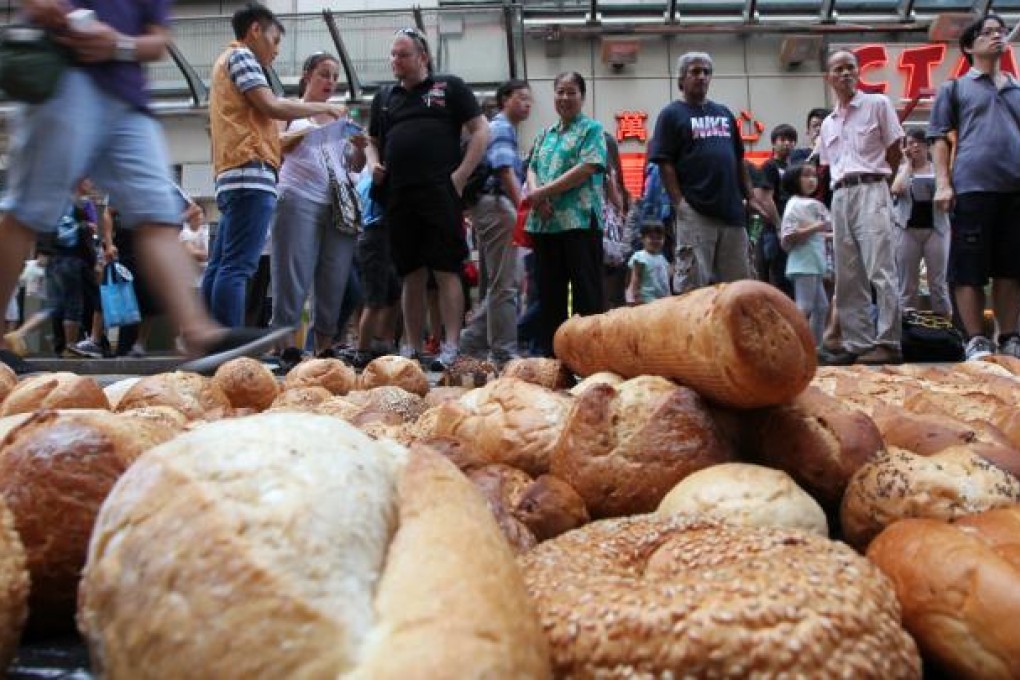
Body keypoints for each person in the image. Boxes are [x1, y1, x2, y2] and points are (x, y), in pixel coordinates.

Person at [0, 0, 292, 375]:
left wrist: (116, 44)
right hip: (64, 79)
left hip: (128, 98)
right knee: (27, 211)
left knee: (159, 215)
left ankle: (199, 334)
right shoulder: (238, 59)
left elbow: (157, 40)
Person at [203, 3, 345, 329]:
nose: (277, 50)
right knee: (237, 267)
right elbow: (272, 105)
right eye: (275, 40)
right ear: (255, 30)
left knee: (221, 264)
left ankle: (211, 341)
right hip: (250, 174)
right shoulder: (242, 57)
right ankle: (229, 346)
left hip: (233, 173)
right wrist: (323, 107)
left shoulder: (226, 62)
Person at [366, 27, 489, 370]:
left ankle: (451, 345)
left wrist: (461, 175)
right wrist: (374, 164)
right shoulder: (385, 97)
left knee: (447, 268)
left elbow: (482, 130)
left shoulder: (449, 87)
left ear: (423, 57)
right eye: (393, 54)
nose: (395, 61)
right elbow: (372, 140)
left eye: (403, 54)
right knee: (411, 273)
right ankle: (413, 346)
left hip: (440, 192)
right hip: (399, 194)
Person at [930, 13, 1020, 360]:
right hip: (972, 188)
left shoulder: (1015, 88)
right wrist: (943, 183)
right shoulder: (955, 89)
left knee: (1011, 268)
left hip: (1013, 189)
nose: (997, 37)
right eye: (987, 33)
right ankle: (976, 339)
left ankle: (1010, 335)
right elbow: (939, 138)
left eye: (1000, 32)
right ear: (969, 46)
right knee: (969, 268)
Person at [268, 51, 366, 355]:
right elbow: (272, 146)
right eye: (324, 74)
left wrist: (360, 148)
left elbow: (353, 165)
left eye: (335, 77)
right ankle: (286, 346)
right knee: (292, 274)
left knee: (335, 277)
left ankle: (324, 346)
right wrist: (307, 133)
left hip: (338, 203)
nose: (331, 81)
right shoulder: (288, 109)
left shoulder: (341, 115)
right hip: (298, 195)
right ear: (307, 75)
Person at [818, 50, 904, 365]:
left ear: (858, 72)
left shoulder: (877, 105)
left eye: (850, 68)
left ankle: (888, 341)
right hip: (840, 195)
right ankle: (857, 342)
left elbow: (895, 149)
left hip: (872, 188)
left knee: (880, 268)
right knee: (848, 274)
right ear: (828, 77)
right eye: (838, 69)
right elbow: (828, 165)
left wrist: (883, 185)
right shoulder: (827, 124)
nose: (845, 74)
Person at [649, 52, 758, 295]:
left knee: (739, 289)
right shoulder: (671, 114)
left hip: (732, 214)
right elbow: (664, 162)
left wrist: (750, 197)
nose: (702, 77)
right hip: (696, 212)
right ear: (681, 80)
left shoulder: (724, 113)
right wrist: (680, 203)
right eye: (695, 72)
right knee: (693, 289)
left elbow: (739, 158)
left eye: (706, 72)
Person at [524, 71, 607, 356]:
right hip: (546, 225)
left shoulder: (591, 130)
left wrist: (543, 193)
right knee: (549, 298)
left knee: (588, 296)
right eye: (560, 91)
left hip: (580, 224)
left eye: (571, 92)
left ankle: (593, 361)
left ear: (582, 97)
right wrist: (537, 197)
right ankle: (553, 361)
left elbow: (587, 168)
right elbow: (531, 167)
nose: (565, 97)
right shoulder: (544, 134)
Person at [459, 78, 531, 366]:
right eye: (521, 97)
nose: (527, 103)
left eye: (529, 99)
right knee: (506, 283)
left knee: (503, 281)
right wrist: (521, 209)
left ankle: (472, 342)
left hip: (489, 206)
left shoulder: (498, 127)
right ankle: (502, 351)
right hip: (498, 205)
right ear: (504, 100)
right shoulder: (501, 127)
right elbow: (503, 169)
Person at [891, 129, 952, 317]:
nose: (915, 146)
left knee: (938, 283)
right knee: (907, 284)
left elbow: (949, 196)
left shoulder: (939, 170)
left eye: (919, 142)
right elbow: (896, 188)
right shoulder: (902, 169)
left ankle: (946, 331)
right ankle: (908, 332)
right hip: (907, 229)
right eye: (910, 143)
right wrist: (908, 164)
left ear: (928, 146)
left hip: (936, 228)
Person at [780, 163, 832, 346]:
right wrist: (818, 227)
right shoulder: (795, 205)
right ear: (794, 180)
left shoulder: (806, 204)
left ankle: (815, 348)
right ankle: (791, 345)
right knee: (805, 307)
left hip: (813, 262)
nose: (812, 180)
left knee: (821, 307)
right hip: (804, 261)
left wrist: (825, 233)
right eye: (806, 176)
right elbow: (788, 235)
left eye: (814, 176)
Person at [756, 124, 798, 298]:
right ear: (773, 143)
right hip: (774, 232)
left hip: (793, 229)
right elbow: (765, 198)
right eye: (782, 139)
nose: (787, 143)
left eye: (790, 140)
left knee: (791, 276)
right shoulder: (769, 166)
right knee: (777, 276)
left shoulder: (795, 168)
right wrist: (779, 226)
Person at [625, 222, 671, 305]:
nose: (655, 241)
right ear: (643, 239)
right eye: (651, 238)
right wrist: (636, 295)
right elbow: (635, 278)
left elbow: (665, 279)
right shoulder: (640, 256)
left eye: (659, 238)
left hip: (663, 299)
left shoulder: (662, 258)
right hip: (646, 299)